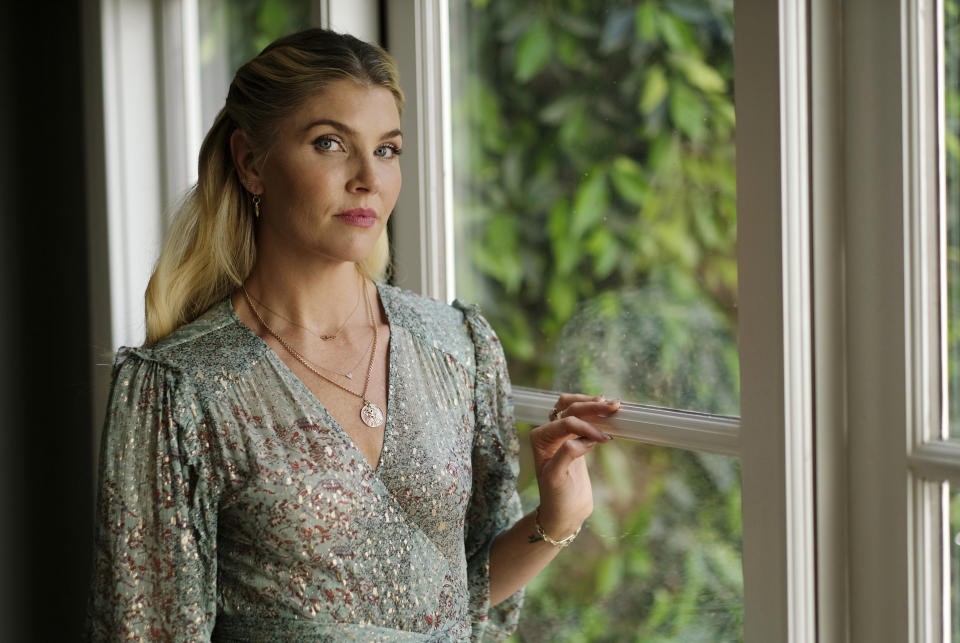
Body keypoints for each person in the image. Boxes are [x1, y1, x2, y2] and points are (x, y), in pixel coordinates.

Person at [86, 28, 619, 641]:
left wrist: (559, 514)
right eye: (331, 143)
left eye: (387, 150)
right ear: (251, 162)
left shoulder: (457, 347)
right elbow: (147, 628)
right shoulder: (182, 390)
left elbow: (459, 602)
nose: (368, 177)